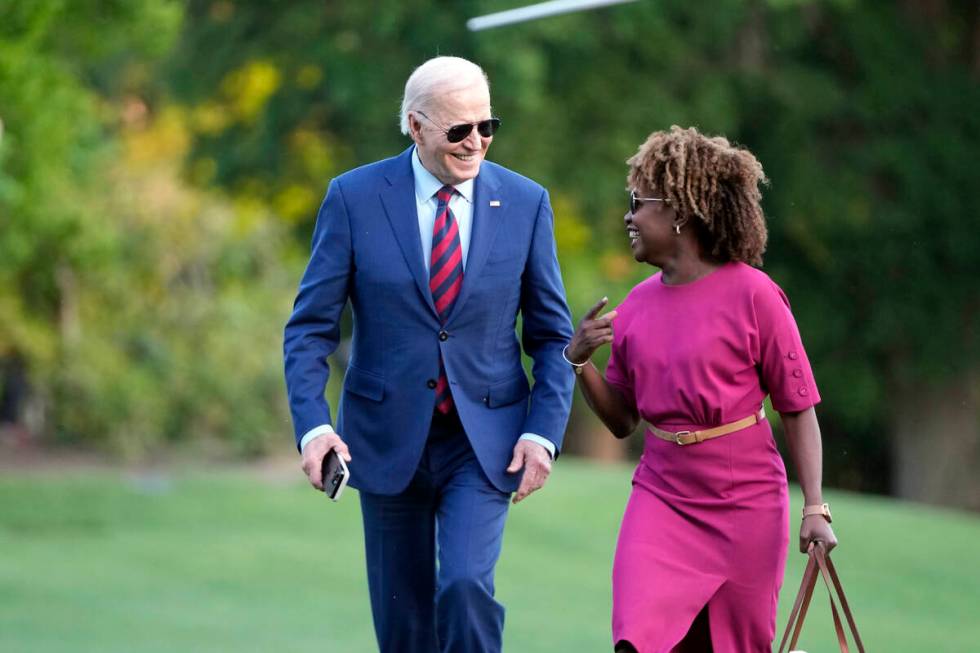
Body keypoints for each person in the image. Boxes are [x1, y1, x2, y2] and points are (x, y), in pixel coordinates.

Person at [283, 56, 575, 653]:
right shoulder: (353, 198)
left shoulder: (526, 203)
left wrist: (543, 433)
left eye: (486, 126)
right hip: (385, 441)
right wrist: (314, 427)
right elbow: (310, 329)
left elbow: (550, 337)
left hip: (485, 440)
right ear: (416, 127)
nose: (476, 143)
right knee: (403, 627)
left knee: (465, 586)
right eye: (459, 130)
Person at [566, 126, 837, 653]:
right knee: (636, 640)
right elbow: (624, 422)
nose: (628, 216)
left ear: (680, 212)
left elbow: (798, 409)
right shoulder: (637, 305)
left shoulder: (756, 295)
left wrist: (815, 507)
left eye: (637, 203)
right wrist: (580, 363)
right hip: (661, 499)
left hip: (747, 506)